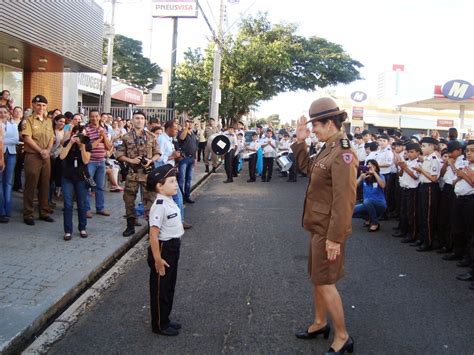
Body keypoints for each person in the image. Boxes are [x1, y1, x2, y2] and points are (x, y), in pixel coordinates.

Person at [292, 97, 357, 354]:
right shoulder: (328, 146)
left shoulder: (343, 152)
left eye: (315, 126)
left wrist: (335, 238)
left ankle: (342, 336)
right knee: (318, 278)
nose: (313, 130)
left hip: (328, 230)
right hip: (318, 226)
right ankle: (320, 323)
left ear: (329, 123)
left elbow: (345, 201)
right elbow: (308, 168)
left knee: (326, 281)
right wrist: (300, 141)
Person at [146, 164, 185, 336]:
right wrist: (158, 259)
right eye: (171, 181)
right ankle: (159, 325)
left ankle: (166, 319)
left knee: (169, 286)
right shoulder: (160, 205)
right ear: (159, 186)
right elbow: (153, 235)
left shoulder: (169, 200)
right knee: (160, 289)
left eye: (175, 180)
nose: (175, 184)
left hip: (173, 247)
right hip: (163, 249)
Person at [115, 110, 161, 237]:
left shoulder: (152, 136)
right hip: (133, 173)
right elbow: (119, 154)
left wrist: (151, 160)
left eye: (141, 118)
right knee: (129, 200)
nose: (139, 120)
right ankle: (130, 225)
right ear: (132, 120)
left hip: (147, 173)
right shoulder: (126, 137)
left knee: (150, 200)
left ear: (145, 120)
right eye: (136, 118)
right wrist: (131, 160)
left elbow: (158, 153)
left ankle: (151, 228)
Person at [21, 95, 55, 225]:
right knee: (31, 185)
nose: (41, 108)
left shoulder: (48, 121)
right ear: (33, 105)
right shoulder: (28, 120)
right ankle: (28, 214)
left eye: (44, 106)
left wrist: (47, 150)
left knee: (45, 184)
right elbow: (27, 138)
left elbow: (51, 137)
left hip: (45, 156)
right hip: (33, 155)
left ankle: (44, 212)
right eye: (39, 105)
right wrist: (40, 150)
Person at [157, 120, 192, 230]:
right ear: (168, 129)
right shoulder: (162, 140)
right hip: (164, 173)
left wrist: (176, 157)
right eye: (175, 129)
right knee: (177, 197)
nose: (177, 131)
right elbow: (158, 158)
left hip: (170, 171)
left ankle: (174, 221)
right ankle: (178, 222)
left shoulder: (169, 139)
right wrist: (172, 156)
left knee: (173, 199)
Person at [59, 125, 92, 240]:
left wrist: (82, 146)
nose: (80, 137)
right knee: (68, 205)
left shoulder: (86, 143)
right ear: (73, 134)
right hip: (67, 177)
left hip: (81, 177)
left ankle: (82, 228)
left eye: (82, 134)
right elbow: (62, 156)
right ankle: (68, 231)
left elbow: (86, 160)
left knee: (81, 204)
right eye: (78, 135)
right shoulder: (68, 142)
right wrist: (70, 143)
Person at [449, 140, 474, 290]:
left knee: (471, 234)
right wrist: (461, 175)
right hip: (460, 198)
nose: (469, 153)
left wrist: (464, 176)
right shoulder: (467, 165)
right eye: (468, 150)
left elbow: (472, 182)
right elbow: (454, 182)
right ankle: (466, 258)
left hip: (470, 201)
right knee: (461, 230)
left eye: (472, 150)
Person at [437, 141, 467, 254]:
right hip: (446, 187)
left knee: (452, 219)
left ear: (459, 150)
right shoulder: (449, 159)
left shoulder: (463, 160)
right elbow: (442, 173)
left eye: (452, 151)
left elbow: (459, 175)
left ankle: (452, 247)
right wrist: (446, 164)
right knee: (443, 217)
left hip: (456, 189)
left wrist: (453, 164)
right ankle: (443, 243)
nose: (450, 154)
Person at [412, 137, 441, 251]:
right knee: (422, 213)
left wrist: (421, 171)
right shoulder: (427, 159)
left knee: (428, 215)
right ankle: (423, 238)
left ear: (432, 146)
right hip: (423, 186)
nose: (422, 148)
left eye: (424, 146)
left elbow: (433, 178)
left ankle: (428, 242)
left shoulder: (434, 159)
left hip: (430, 187)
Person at [85, 110, 112, 218]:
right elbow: (89, 147)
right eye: (92, 116)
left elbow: (108, 147)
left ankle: (100, 208)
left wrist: (103, 136)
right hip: (90, 162)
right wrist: (100, 138)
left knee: (99, 186)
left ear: (100, 117)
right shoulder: (86, 130)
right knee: (87, 186)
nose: (94, 118)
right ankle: (86, 209)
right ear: (89, 118)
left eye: (96, 116)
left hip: (101, 161)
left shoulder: (103, 129)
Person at [393, 143, 421, 243]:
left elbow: (415, 176)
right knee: (403, 210)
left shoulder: (418, 163)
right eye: (408, 152)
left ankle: (412, 234)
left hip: (412, 190)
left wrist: (404, 167)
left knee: (411, 213)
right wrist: (400, 167)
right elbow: (400, 174)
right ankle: (403, 230)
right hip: (404, 188)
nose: (409, 154)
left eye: (412, 152)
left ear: (418, 153)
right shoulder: (407, 162)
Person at [353, 160, 386, 232]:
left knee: (367, 201)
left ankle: (375, 223)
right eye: (368, 165)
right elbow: (353, 186)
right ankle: (368, 218)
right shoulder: (365, 177)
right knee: (350, 211)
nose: (370, 167)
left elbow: (383, 185)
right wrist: (360, 178)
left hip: (380, 204)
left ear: (376, 168)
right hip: (366, 204)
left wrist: (374, 173)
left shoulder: (380, 176)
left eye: (372, 166)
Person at [0, 105, 19, 223]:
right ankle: (1, 211)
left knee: (8, 183)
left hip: (11, 154)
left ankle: (7, 210)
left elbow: (16, 140)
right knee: (0, 182)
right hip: (0, 155)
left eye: (4, 112)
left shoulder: (13, 126)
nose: (2, 114)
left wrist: (1, 140)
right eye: (0, 112)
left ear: (8, 114)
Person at [178, 119, 197, 203]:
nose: (190, 125)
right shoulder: (182, 132)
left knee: (189, 178)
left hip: (191, 158)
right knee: (181, 179)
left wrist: (195, 158)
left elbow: (195, 147)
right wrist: (186, 128)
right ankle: (180, 197)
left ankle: (187, 196)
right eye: (189, 123)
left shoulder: (193, 134)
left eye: (191, 123)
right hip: (184, 158)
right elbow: (181, 137)